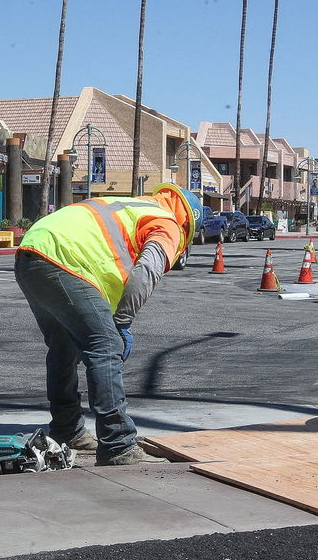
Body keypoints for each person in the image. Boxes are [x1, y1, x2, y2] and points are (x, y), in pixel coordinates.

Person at [14, 184, 202, 466]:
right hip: (65, 262)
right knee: (105, 345)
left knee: (63, 349)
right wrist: (122, 323)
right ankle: (118, 444)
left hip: (31, 254)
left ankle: (68, 431)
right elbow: (146, 273)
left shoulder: (126, 205)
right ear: (188, 222)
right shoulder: (168, 222)